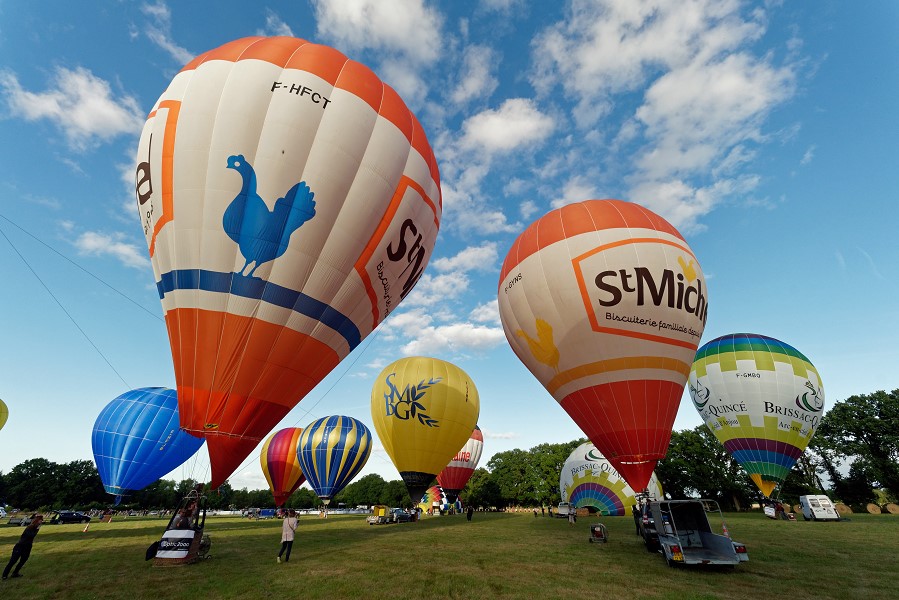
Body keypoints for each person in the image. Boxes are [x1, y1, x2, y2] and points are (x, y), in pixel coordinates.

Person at [3, 514, 43, 580]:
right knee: (13, 561)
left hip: (28, 546)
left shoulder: (35, 527)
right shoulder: (30, 527)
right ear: (37, 520)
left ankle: (15, 573)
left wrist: (37, 528)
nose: (41, 521)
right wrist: (37, 529)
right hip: (20, 546)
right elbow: (31, 535)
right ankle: (4, 575)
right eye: (40, 520)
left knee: (23, 560)